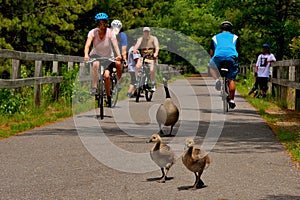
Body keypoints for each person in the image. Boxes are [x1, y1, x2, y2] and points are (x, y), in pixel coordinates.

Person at [84, 12, 122, 107]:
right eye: (99, 23)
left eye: (103, 22)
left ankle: (109, 96)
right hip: (96, 55)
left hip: (108, 57)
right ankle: (94, 87)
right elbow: (88, 45)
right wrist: (86, 54)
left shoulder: (110, 33)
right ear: (97, 24)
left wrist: (118, 55)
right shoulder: (92, 32)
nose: (101, 25)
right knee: (95, 64)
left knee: (107, 76)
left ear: (106, 23)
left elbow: (115, 45)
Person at [209, 21, 240, 109]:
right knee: (231, 80)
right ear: (231, 29)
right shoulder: (235, 37)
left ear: (221, 29)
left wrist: (212, 60)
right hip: (231, 57)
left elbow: (212, 51)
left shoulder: (215, 37)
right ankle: (232, 100)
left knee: (211, 67)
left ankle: (217, 81)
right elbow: (237, 50)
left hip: (218, 57)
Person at [133, 27, 159, 91]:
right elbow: (137, 44)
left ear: (149, 32)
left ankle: (152, 84)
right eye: (145, 32)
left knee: (152, 70)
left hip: (151, 57)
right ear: (143, 32)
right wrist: (135, 49)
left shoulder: (154, 38)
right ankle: (137, 81)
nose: (146, 33)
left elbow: (157, 47)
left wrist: (156, 53)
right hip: (143, 56)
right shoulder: (141, 39)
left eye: (147, 32)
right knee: (137, 66)